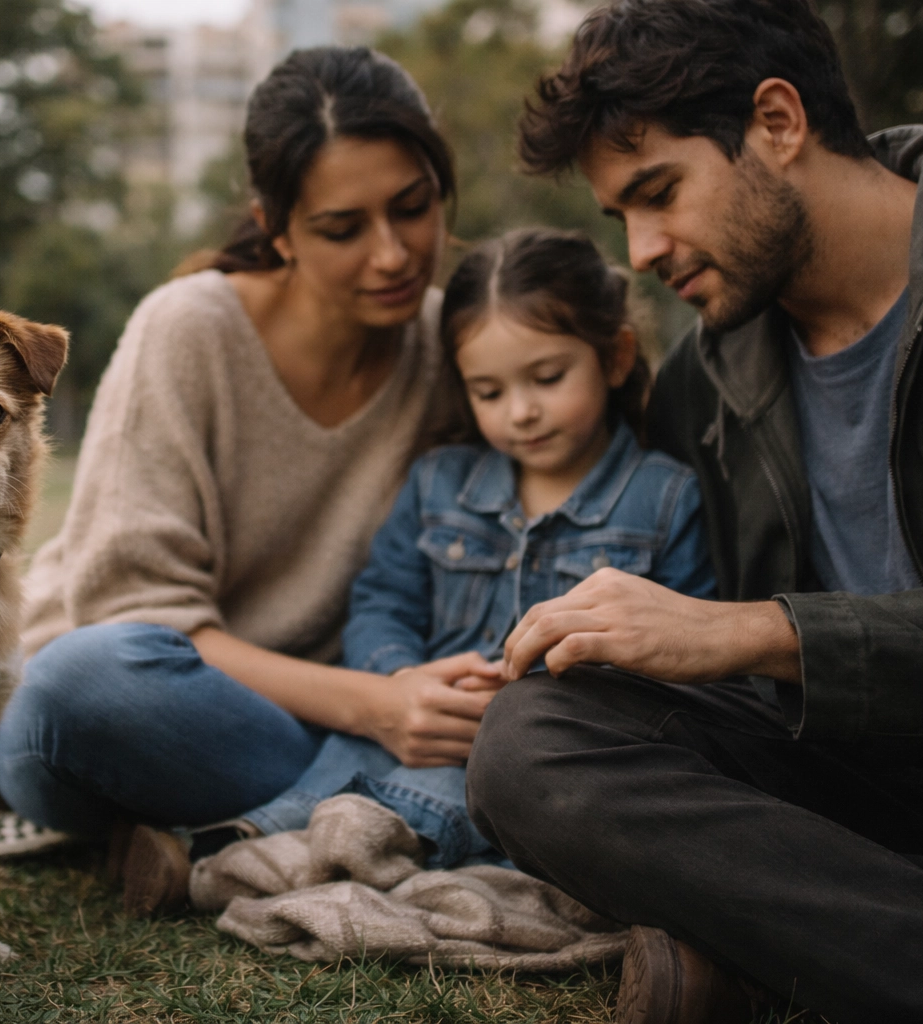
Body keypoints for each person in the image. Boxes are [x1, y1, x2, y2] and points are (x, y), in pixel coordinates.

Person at [463, 1, 923, 1022]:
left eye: (658, 192)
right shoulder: (708, 379)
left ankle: (802, 957)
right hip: (857, 794)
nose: (641, 250)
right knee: (531, 742)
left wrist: (756, 632)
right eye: (619, 214)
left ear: (777, 122)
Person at [0, 46, 498, 916]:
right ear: (276, 227)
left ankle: (219, 836)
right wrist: (381, 709)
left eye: (414, 209)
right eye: (344, 229)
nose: (393, 255)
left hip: (308, 724)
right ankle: (343, 815)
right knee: (73, 683)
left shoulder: (459, 346)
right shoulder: (188, 330)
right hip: (155, 699)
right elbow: (142, 613)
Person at [249, 226, 717, 868]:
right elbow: (383, 600)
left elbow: (689, 655)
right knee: (342, 762)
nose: (520, 411)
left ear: (615, 358)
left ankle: (327, 851)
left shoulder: (667, 499)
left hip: (556, 746)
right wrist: (400, 678)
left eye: (547, 378)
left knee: (475, 794)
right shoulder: (440, 481)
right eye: (489, 392)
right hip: (421, 724)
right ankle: (247, 842)